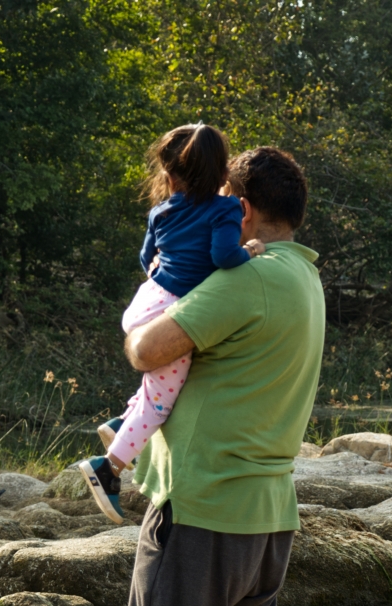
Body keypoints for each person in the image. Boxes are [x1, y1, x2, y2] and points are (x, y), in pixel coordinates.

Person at [122, 146, 326, 606]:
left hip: (205, 504)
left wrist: (139, 318)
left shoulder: (248, 279)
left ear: (239, 208)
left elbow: (150, 349)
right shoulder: (303, 277)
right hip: (267, 516)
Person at [78, 123, 264, 524]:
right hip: (173, 314)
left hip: (146, 301)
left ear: (169, 175)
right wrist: (250, 250)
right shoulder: (226, 208)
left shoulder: (160, 211)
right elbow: (224, 257)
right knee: (163, 402)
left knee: (156, 387)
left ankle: (120, 423)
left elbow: (148, 260)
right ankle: (108, 468)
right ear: (222, 175)